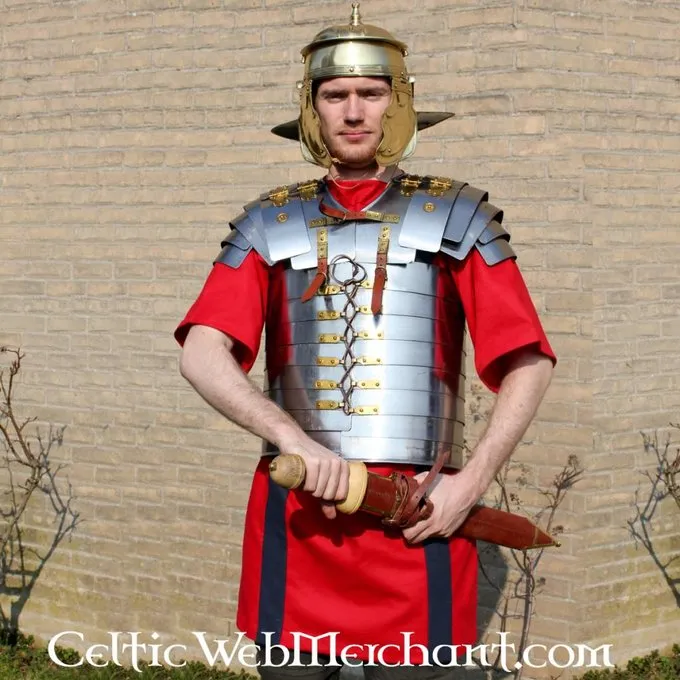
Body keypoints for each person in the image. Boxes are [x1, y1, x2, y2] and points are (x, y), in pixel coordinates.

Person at [175, 4, 555, 678]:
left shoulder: (459, 215)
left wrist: (472, 483)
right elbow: (202, 350)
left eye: (371, 94)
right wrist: (289, 437)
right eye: (335, 95)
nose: (353, 112)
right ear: (312, 108)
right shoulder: (268, 222)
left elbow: (528, 359)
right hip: (299, 514)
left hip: (418, 512)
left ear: (398, 103)